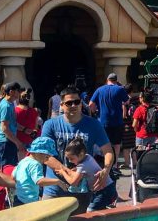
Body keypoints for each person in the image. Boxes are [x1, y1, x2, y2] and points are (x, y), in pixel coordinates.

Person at [40, 86, 115, 215]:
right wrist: (67, 171)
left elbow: (108, 150)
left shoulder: (93, 124)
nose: (74, 105)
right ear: (62, 105)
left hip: (81, 188)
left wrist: (106, 170)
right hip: (54, 187)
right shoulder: (50, 124)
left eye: (77, 102)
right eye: (69, 103)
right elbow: (44, 155)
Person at [54, 138, 117, 212]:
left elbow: (73, 183)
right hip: (106, 188)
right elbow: (82, 169)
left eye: (71, 158)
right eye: (68, 158)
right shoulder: (87, 156)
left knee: (91, 211)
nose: (69, 161)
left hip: (105, 190)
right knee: (96, 209)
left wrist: (63, 172)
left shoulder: (83, 165)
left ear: (80, 154)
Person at [12, 137, 68, 206]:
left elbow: (13, 176)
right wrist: (57, 181)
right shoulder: (36, 164)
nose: (47, 160)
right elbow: (39, 181)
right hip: (29, 201)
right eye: (47, 157)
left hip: (17, 198)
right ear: (39, 153)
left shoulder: (23, 161)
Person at [88, 73, 130, 162]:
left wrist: (94, 112)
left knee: (103, 142)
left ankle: (104, 162)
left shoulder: (99, 89)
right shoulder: (120, 89)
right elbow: (127, 101)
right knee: (116, 144)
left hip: (103, 121)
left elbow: (91, 104)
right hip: (117, 121)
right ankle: (114, 165)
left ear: (107, 80)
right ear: (116, 80)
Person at [0, 81, 27, 170]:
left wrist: (24, 129)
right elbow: (4, 128)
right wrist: (18, 142)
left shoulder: (10, 104)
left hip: (8, 140)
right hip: (5, 141)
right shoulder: (6, 106)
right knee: (6, 168)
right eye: (18, 91)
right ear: (11, 92)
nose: (19, 94)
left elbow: (12, 122)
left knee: (10, 166)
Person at [15, 89, 40, 158]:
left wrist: (34, 132)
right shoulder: (15, 110)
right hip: (19, 142)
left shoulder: (33, 111)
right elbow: (13, 124)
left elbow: (36, 126)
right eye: (25, 96)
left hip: (28, 142)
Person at [121, 84, 138, 170]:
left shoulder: (123, 101)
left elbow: (123, 115)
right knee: (133, 145)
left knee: (126, 146)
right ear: (132, 91)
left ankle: (127, 163)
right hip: (134, 125)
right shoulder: (136, 100)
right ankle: (135, 162)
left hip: (125, 125)